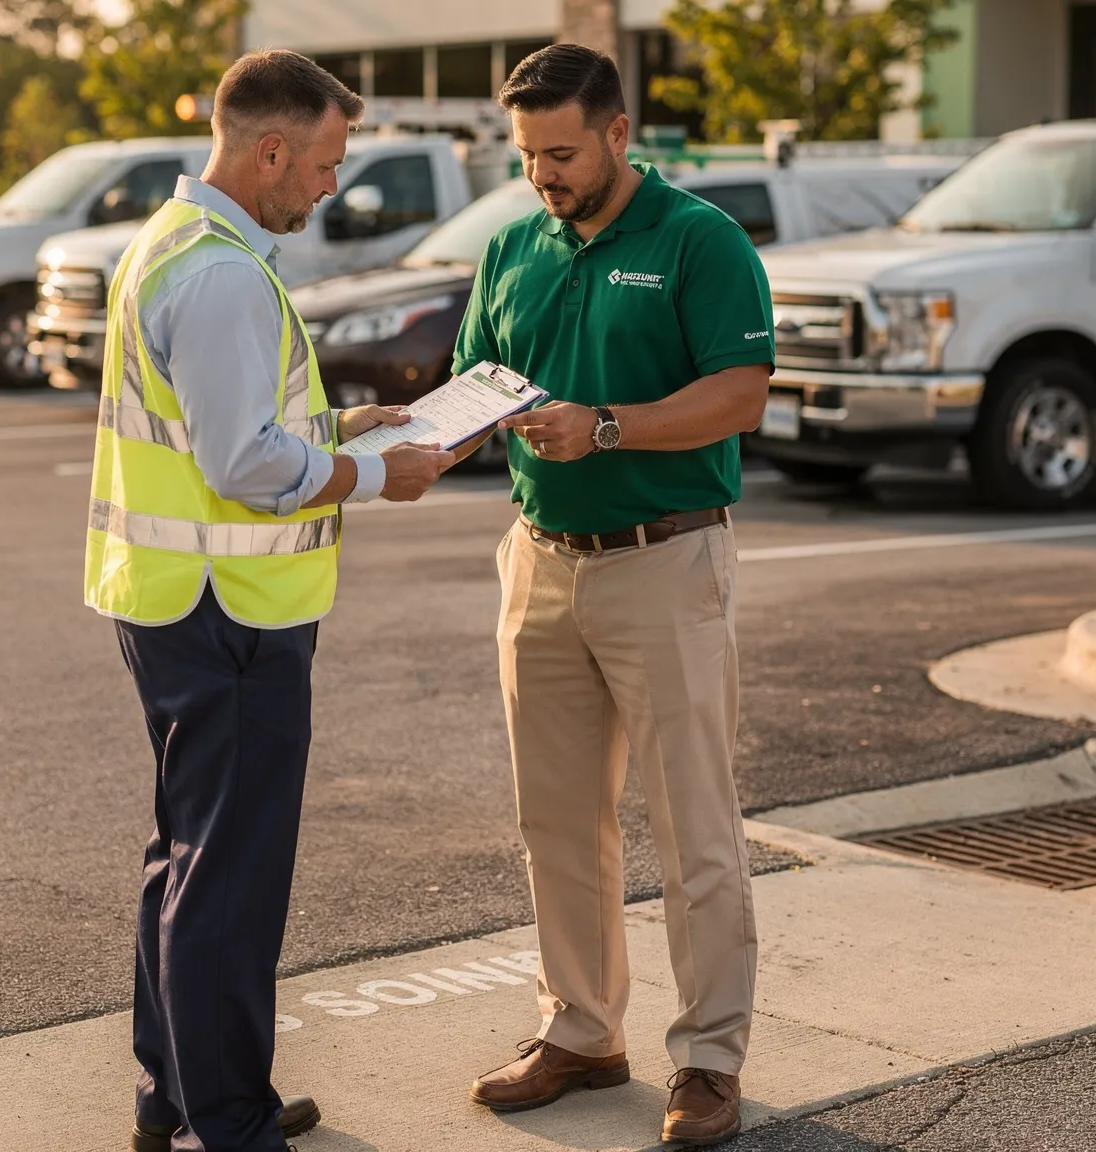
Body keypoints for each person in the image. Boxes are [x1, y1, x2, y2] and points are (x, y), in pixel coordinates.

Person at [83, 51, 455, 1152]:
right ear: (270, 150)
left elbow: (229, 421)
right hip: (228, 609)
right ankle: (228, 1122)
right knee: (227, 878)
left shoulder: (180, 243)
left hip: (173, 598)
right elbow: (241, 463)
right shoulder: (223, 275)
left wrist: (344, 428)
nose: (332, 186)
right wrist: (382, 475)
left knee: (186, 858)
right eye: (326, 163)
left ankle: (181, 1096)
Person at [457, 43, 774, 1148]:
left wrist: (606, 425)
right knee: (555, 820)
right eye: (527, 156)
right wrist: (409, 441)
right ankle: (581, 1032)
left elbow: (738, 396)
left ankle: (708, 1063)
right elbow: (476, 381)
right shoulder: (510, 246)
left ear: (617, 134)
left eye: (560, 152)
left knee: (693, 826)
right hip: (538, 560)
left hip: (664, 560)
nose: (542, 174)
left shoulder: (699, 241)